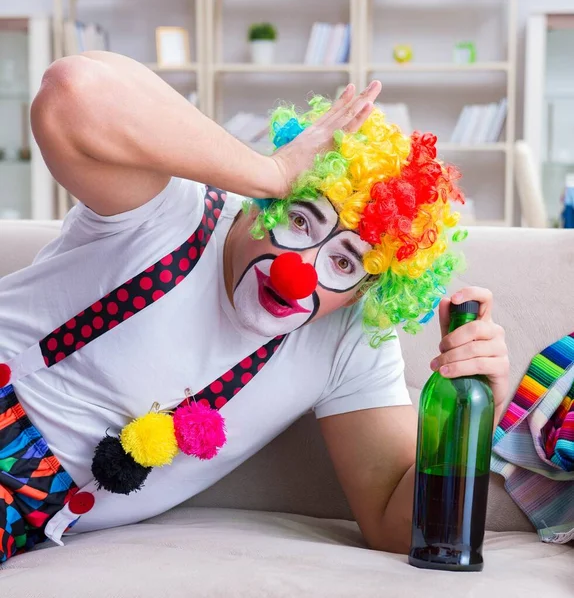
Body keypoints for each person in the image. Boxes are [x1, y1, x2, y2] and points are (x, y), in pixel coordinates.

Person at [0, 51, 509, 563]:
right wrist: (271, 171)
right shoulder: (169, 212)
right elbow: (72, 90)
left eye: (345, 264)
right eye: (301, 221)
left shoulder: (349, 342)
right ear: (265, 201)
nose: (298, 270)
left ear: (366, 288)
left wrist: (476, 405)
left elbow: (397, 527)